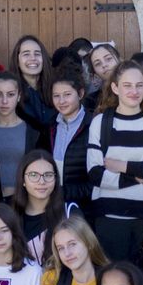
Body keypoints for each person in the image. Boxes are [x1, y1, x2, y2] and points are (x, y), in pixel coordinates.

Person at [87, 61, 143, 263]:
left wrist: (122, 167)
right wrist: (141, 177)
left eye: (139, 85)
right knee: (116, 282)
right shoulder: (100, 123)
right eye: (127, 85)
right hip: (110, 219)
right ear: (115, 88)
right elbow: (96, 174)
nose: (134, 91)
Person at [11, 150, 75, 264]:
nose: (42, 181)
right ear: (23, 180)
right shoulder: (10, 215)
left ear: (56, 179)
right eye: (33, 175)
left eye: (48, 175)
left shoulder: (69, 211)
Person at [50, 67, 95, 210]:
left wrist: (63, 193)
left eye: (67, 94)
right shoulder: (51, 127)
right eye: (56, 96)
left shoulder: (94, 125)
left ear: (80, 93)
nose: (61, 101)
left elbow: (98, 180)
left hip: (86, 208)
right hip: (55, 206)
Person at [0, 72, 33, 195]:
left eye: (11, 95)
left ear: (19, 96)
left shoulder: (33, 132)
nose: (4, 101)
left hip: (23, 201)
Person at [10, 35, 55, 136]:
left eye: (37, 54)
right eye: (26, 54)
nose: (33, 58)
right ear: (17, 61)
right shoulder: (11, 93)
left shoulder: (55, 89)